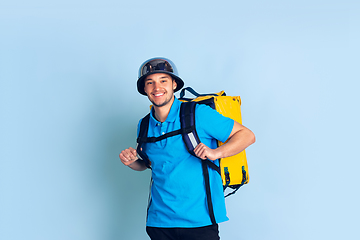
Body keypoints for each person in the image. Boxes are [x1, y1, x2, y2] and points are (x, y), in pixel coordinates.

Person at [119, 57, 255, 240]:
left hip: (199, 221)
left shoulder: (198, 113)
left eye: (163, 81)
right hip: (159, 222)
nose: (156, 87)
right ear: (144, 89)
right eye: (150, 82)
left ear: (174, 84)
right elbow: (147, 164)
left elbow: (247, 135)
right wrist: (132, 162)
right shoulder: (144, 124)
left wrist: (215, 153)